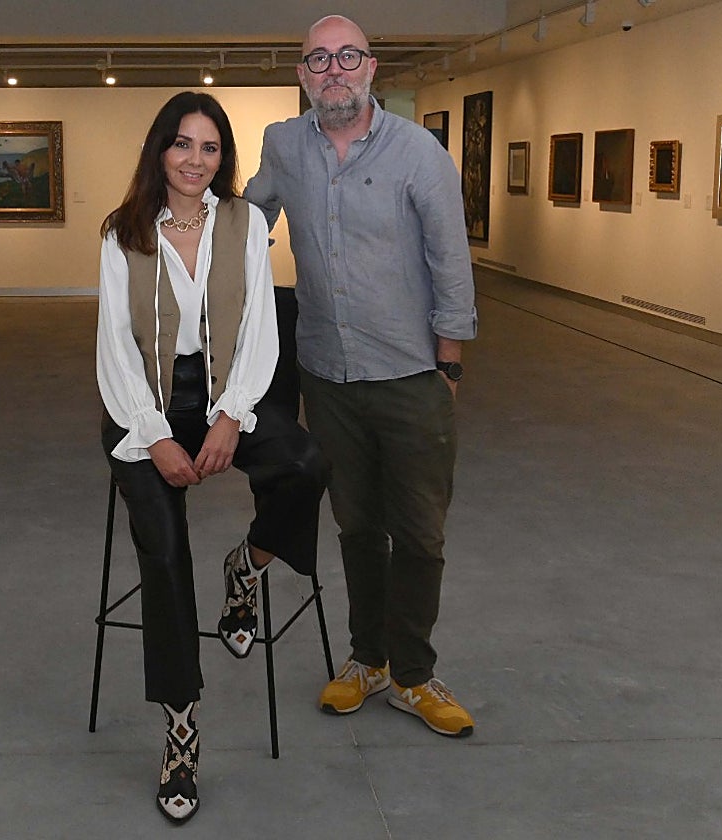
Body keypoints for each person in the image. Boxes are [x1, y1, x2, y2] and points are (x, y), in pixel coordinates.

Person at [244, 14, 479, 738]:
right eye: (318, 59)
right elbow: (249, 223)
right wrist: (177, 225)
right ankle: (367, 660)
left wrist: (448, 363)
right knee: (355, 523)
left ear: (371, 67)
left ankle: (413, 674)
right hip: (328, 374)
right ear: (302, 74)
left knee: (419, 531)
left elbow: (450, 257)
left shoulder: (418, 151)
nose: (334, 70)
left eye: (347, 56)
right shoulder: (284, 144)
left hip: (411, 372)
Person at [97, 91, 327, 824]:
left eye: (211, 147)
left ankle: (248, 566)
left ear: (223, 158)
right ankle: (181, 728)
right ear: (159, 150)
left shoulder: (245, 222)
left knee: (305, 463)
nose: (195, 160)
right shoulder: (123, 232)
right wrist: (155, 433)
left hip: (229, 393)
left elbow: (261, 330)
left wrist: (231, 417)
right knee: (163, 555)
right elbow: (113, 347)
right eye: (182, 144)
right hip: (144, 406)